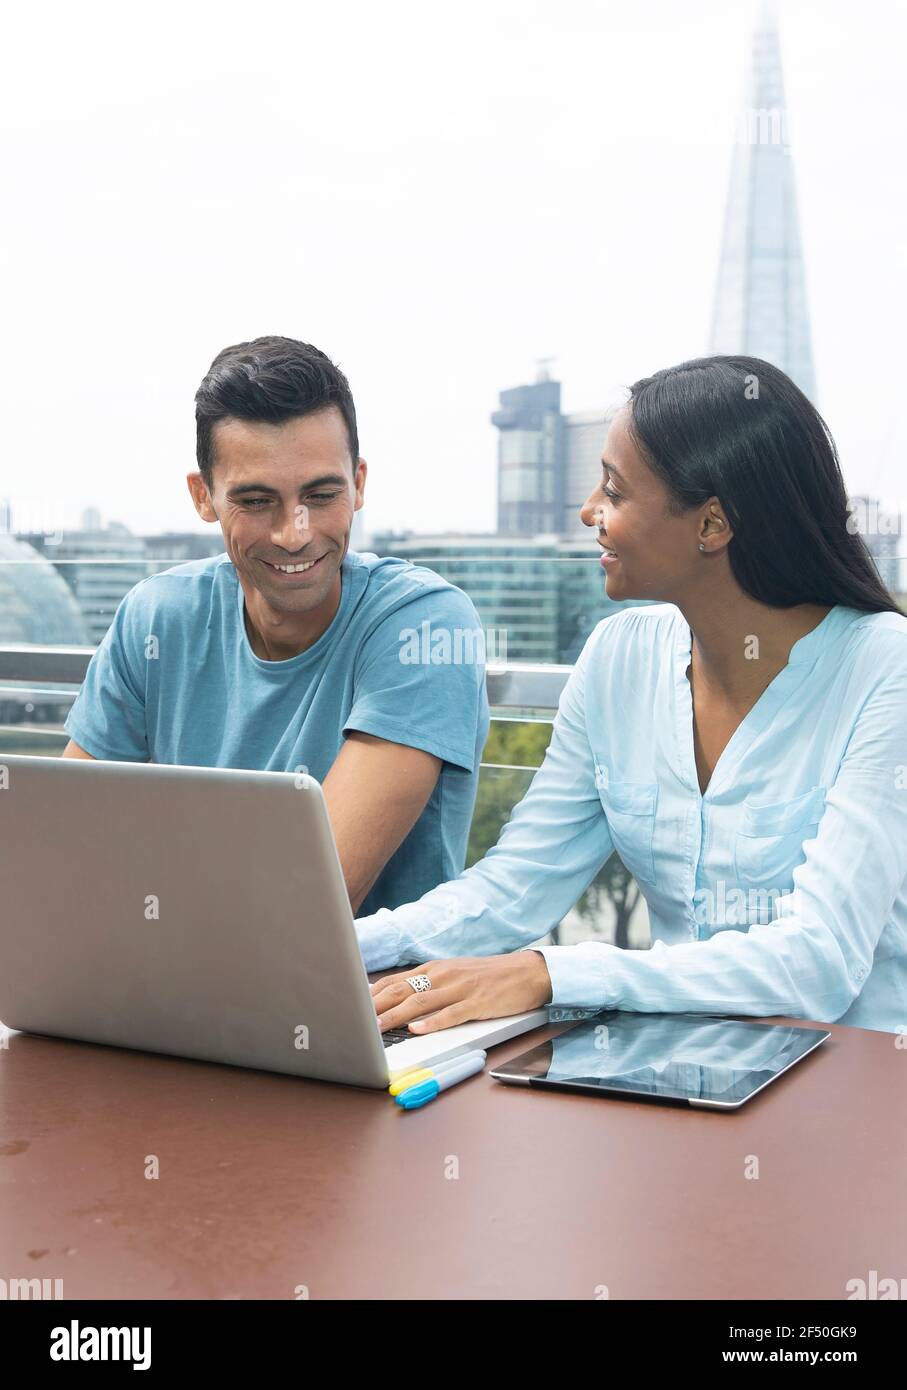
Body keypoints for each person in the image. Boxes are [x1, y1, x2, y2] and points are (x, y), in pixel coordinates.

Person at [359, 355, 907, 1034]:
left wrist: (550, 975)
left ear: (711, 526)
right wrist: (337, 947)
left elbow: (818, 963)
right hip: (675, 1073)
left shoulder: (885, 667)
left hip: (856, 1087)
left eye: (614, 493)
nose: (589, 510)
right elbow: (513, 891)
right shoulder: (618, 657)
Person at [62, 335, 489, 916]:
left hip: (371, 994)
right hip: (157, 972)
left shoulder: (423, 624)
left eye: (321, 493)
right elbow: (63, 845)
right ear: (203, 496)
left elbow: (310, 899)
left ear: (359, 483)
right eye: (257, 501)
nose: (295, 532)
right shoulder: (155, 616)